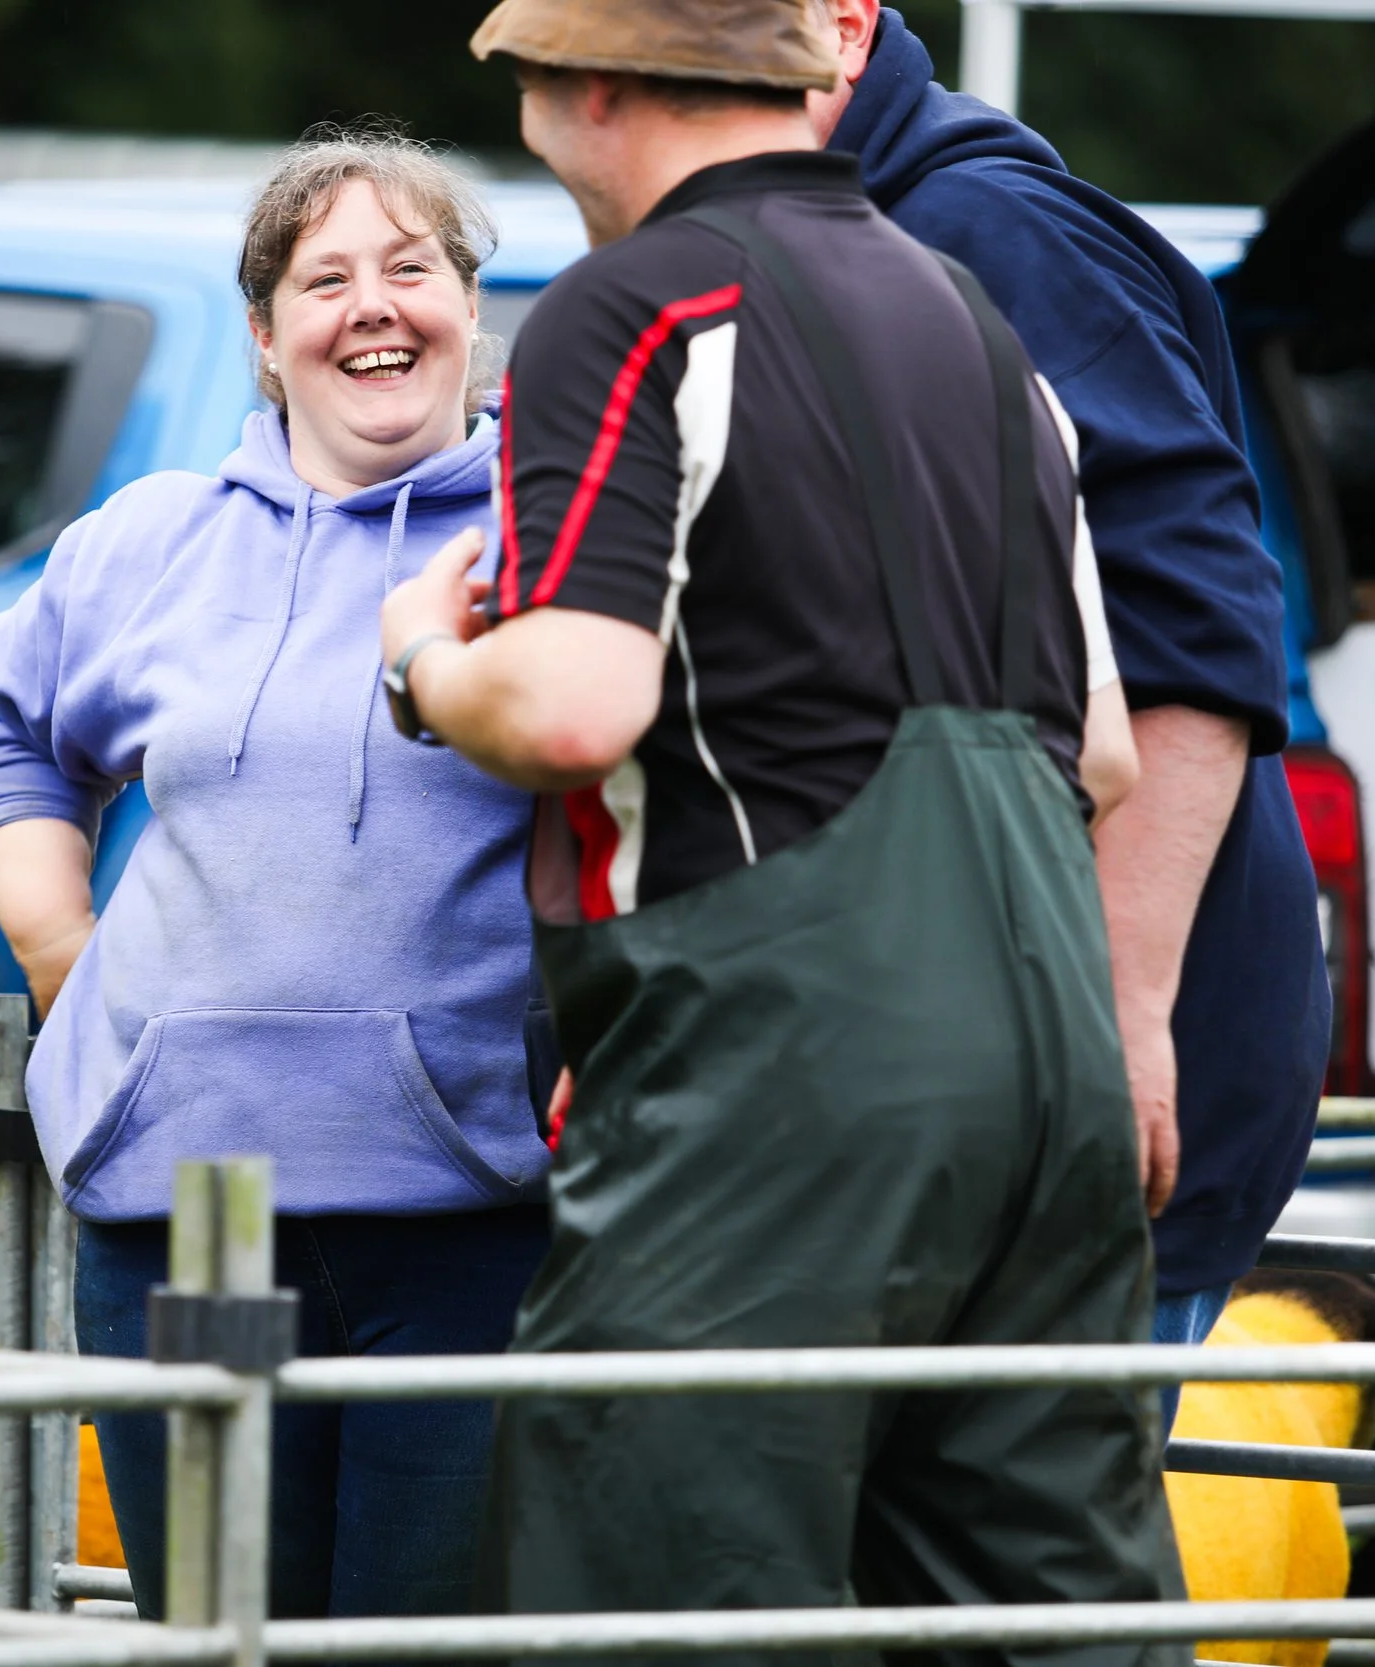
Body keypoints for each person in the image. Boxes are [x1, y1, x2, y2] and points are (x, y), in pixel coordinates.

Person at [378, 0, 1181, 1644]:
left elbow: (575, 702)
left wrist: (421, 664)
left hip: (782, 1075)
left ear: (585, 82)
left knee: (667, 1600)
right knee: (1049, 1617)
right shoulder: (976, 321)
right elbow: (1098, 751)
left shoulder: (627, 311)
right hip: (1049, 1071)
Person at [0, 131, 553, 1621]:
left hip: (467, 1216)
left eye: (414, 269)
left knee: (418, 1653)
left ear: (473, 309)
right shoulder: (151, 540)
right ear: (268, 339)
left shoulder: (551, 538)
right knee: (210, 1641)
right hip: (174, 1214)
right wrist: (54, 935)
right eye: (326, 279)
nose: (375, 308)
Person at [809, 1, 1331, 1419]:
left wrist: (1119, 1011)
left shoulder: (981, 227)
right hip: (935, 1091)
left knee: (1025, 1614)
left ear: (844, 28)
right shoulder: (822, 232)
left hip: (1080, 1093)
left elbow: (1197, 626)